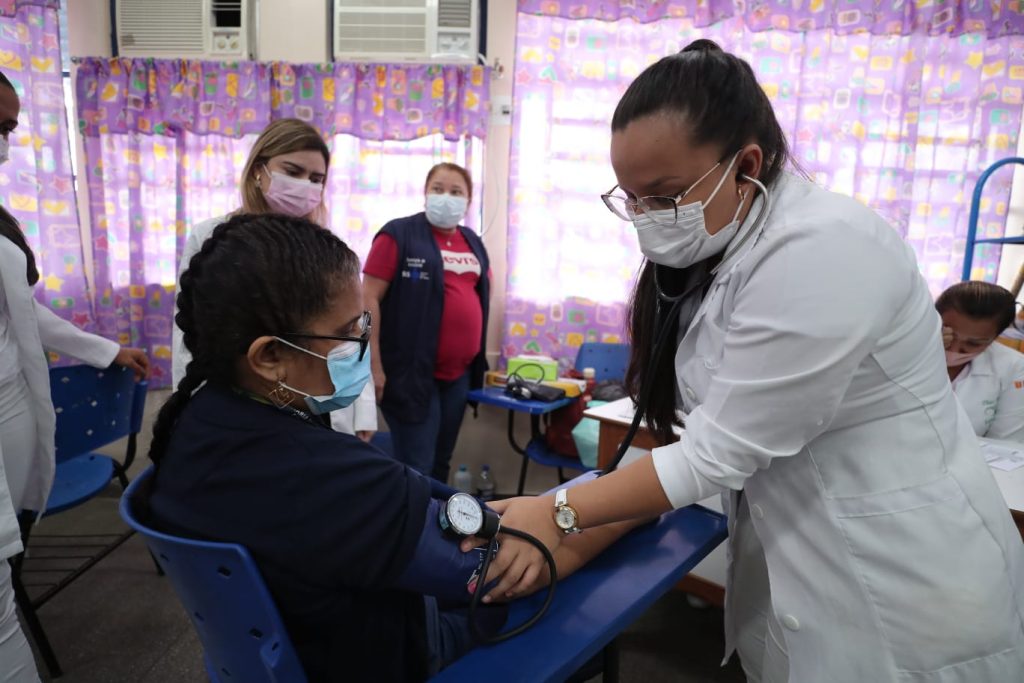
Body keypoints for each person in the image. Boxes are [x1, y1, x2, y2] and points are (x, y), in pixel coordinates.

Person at [477, 41, 1024, 683]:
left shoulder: (825, 248)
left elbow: (718, 455)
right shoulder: (718, 255)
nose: (646, 219)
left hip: (908, 596)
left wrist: (557, 513)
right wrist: (567, 534)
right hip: (799, 582)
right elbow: (707, 442)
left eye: (663, 196)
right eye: (632, 199)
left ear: (747, 165)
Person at [147, 214, 640, 682]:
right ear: (270, 355)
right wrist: (632, 504)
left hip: (288, 647)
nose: (362, 343)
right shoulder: (326, 478)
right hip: (381, 657)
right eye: (347, 332)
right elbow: (508, 571)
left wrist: (533, 511)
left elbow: (414, 506)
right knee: (572, 598)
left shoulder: (194, 420)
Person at [0, 71, 148, 682]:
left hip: (11, 408)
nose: (4, 142)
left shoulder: (2, 222)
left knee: (7, 567)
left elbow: (23, 312)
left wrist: (106, 350)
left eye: (7, 129)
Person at [171, 118, 376, 441]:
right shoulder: (213, 240)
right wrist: (189, 408)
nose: (305, 185)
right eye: (293, 172)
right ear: (258, 170)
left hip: (315, 397)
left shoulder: (324, 248)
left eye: (316, 179)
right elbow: (189, 331)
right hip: (242, 401)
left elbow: (349, 332)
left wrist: (363, 407)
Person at [363, 162, 490, 482]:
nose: (446, 197)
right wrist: (372, 365)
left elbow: (478, 295)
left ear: (468, 201)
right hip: (410, 374)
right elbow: (367, 300)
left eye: (456, 191)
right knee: (417, 465)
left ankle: (437, 515)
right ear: (425, 193)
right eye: (438, 189)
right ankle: (411, 515)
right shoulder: (398, 235)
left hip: (458, 375)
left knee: (441, 462)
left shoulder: (473, 242)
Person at [937, 281, 1024, 441]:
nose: (955, 348)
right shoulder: (902, 353)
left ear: (995, 338)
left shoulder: (1013, 367)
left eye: (973, 343)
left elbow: (1005, 445)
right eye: (948, 335)